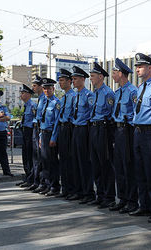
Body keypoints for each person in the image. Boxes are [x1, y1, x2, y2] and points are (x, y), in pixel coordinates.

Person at [131, 53, 151, 223]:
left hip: (150, 131)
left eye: (141, 66)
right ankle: (143, 205)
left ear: (150, 68)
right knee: (140, 171)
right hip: (137, 131)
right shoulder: (140, 88)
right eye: (137, 66)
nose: (137, 69)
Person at [109, 58, 139, 214]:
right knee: (119, 166)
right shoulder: (117, 92)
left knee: (128, 167)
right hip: (118, 130)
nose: (112, 75)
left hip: (128, 131)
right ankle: (122, 198)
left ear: (120, 73)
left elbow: (136, 112)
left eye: (114, 72)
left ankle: (132, 200)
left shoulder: (132, 91)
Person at [88, 62, 116, 208]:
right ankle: (100, 194)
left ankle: (109, 196)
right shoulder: (94, 94)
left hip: (103, 129)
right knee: (96, 164)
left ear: (100, 76)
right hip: (93, 128)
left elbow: (112, 114)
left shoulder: (108, 93)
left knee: (105, 163)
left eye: (92, 76)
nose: (91, 78)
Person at [68, 66, 95, 204]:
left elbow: (92, 114)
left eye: (75, 78)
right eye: (72, 79)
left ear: (83, 79)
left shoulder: (89, 95)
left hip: (84, 129)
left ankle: (88, 192)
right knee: (75, 161)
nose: (73, 81)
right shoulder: (75, 95)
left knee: (84, 162)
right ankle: (78, 191)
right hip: (75, 129)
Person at [52, 68, 75, 199]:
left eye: (62, 80)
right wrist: (55, 136)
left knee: (69, 161)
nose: (60, 83)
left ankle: (71, 189)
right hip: (62, 129)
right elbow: (57, 118)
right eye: (59, 81)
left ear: (69, 81)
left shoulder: (73, 96)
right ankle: (65, 188)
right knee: (63, 161)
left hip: (69, 129)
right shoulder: (63, 98)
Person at [39, 78, 61, 196]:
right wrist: (40, 137)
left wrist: (54, 137)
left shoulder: (56, 103)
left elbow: (57, 122)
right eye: (44, 88)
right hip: (44, 133)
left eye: (49, 88)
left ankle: (54, 186)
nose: (47, 90)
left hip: (51, 133)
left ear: (53, 89)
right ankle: (47, 184)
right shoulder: (43, 102)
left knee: (52, 161)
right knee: (45, 161)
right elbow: (41, 121)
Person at [29, 75, 48, 193]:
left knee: (42, 159)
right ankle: (37, 181)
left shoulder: (45, 99)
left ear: (41, 87)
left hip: (42, 130)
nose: (33, 88)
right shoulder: (40, 99)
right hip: (36, 129)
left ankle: (43, 183)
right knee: (36, 158)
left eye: (35, 85)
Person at [16, 84, 36, 188]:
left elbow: (35, 119)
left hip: (30, 131)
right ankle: (27, 177)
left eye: (23, 93)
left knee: (29, 156)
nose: (21, 95)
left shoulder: (32, 105)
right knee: (25, 156)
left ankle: (31, 179)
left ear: (28, 94)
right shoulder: (25, 105)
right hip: (24, 131)